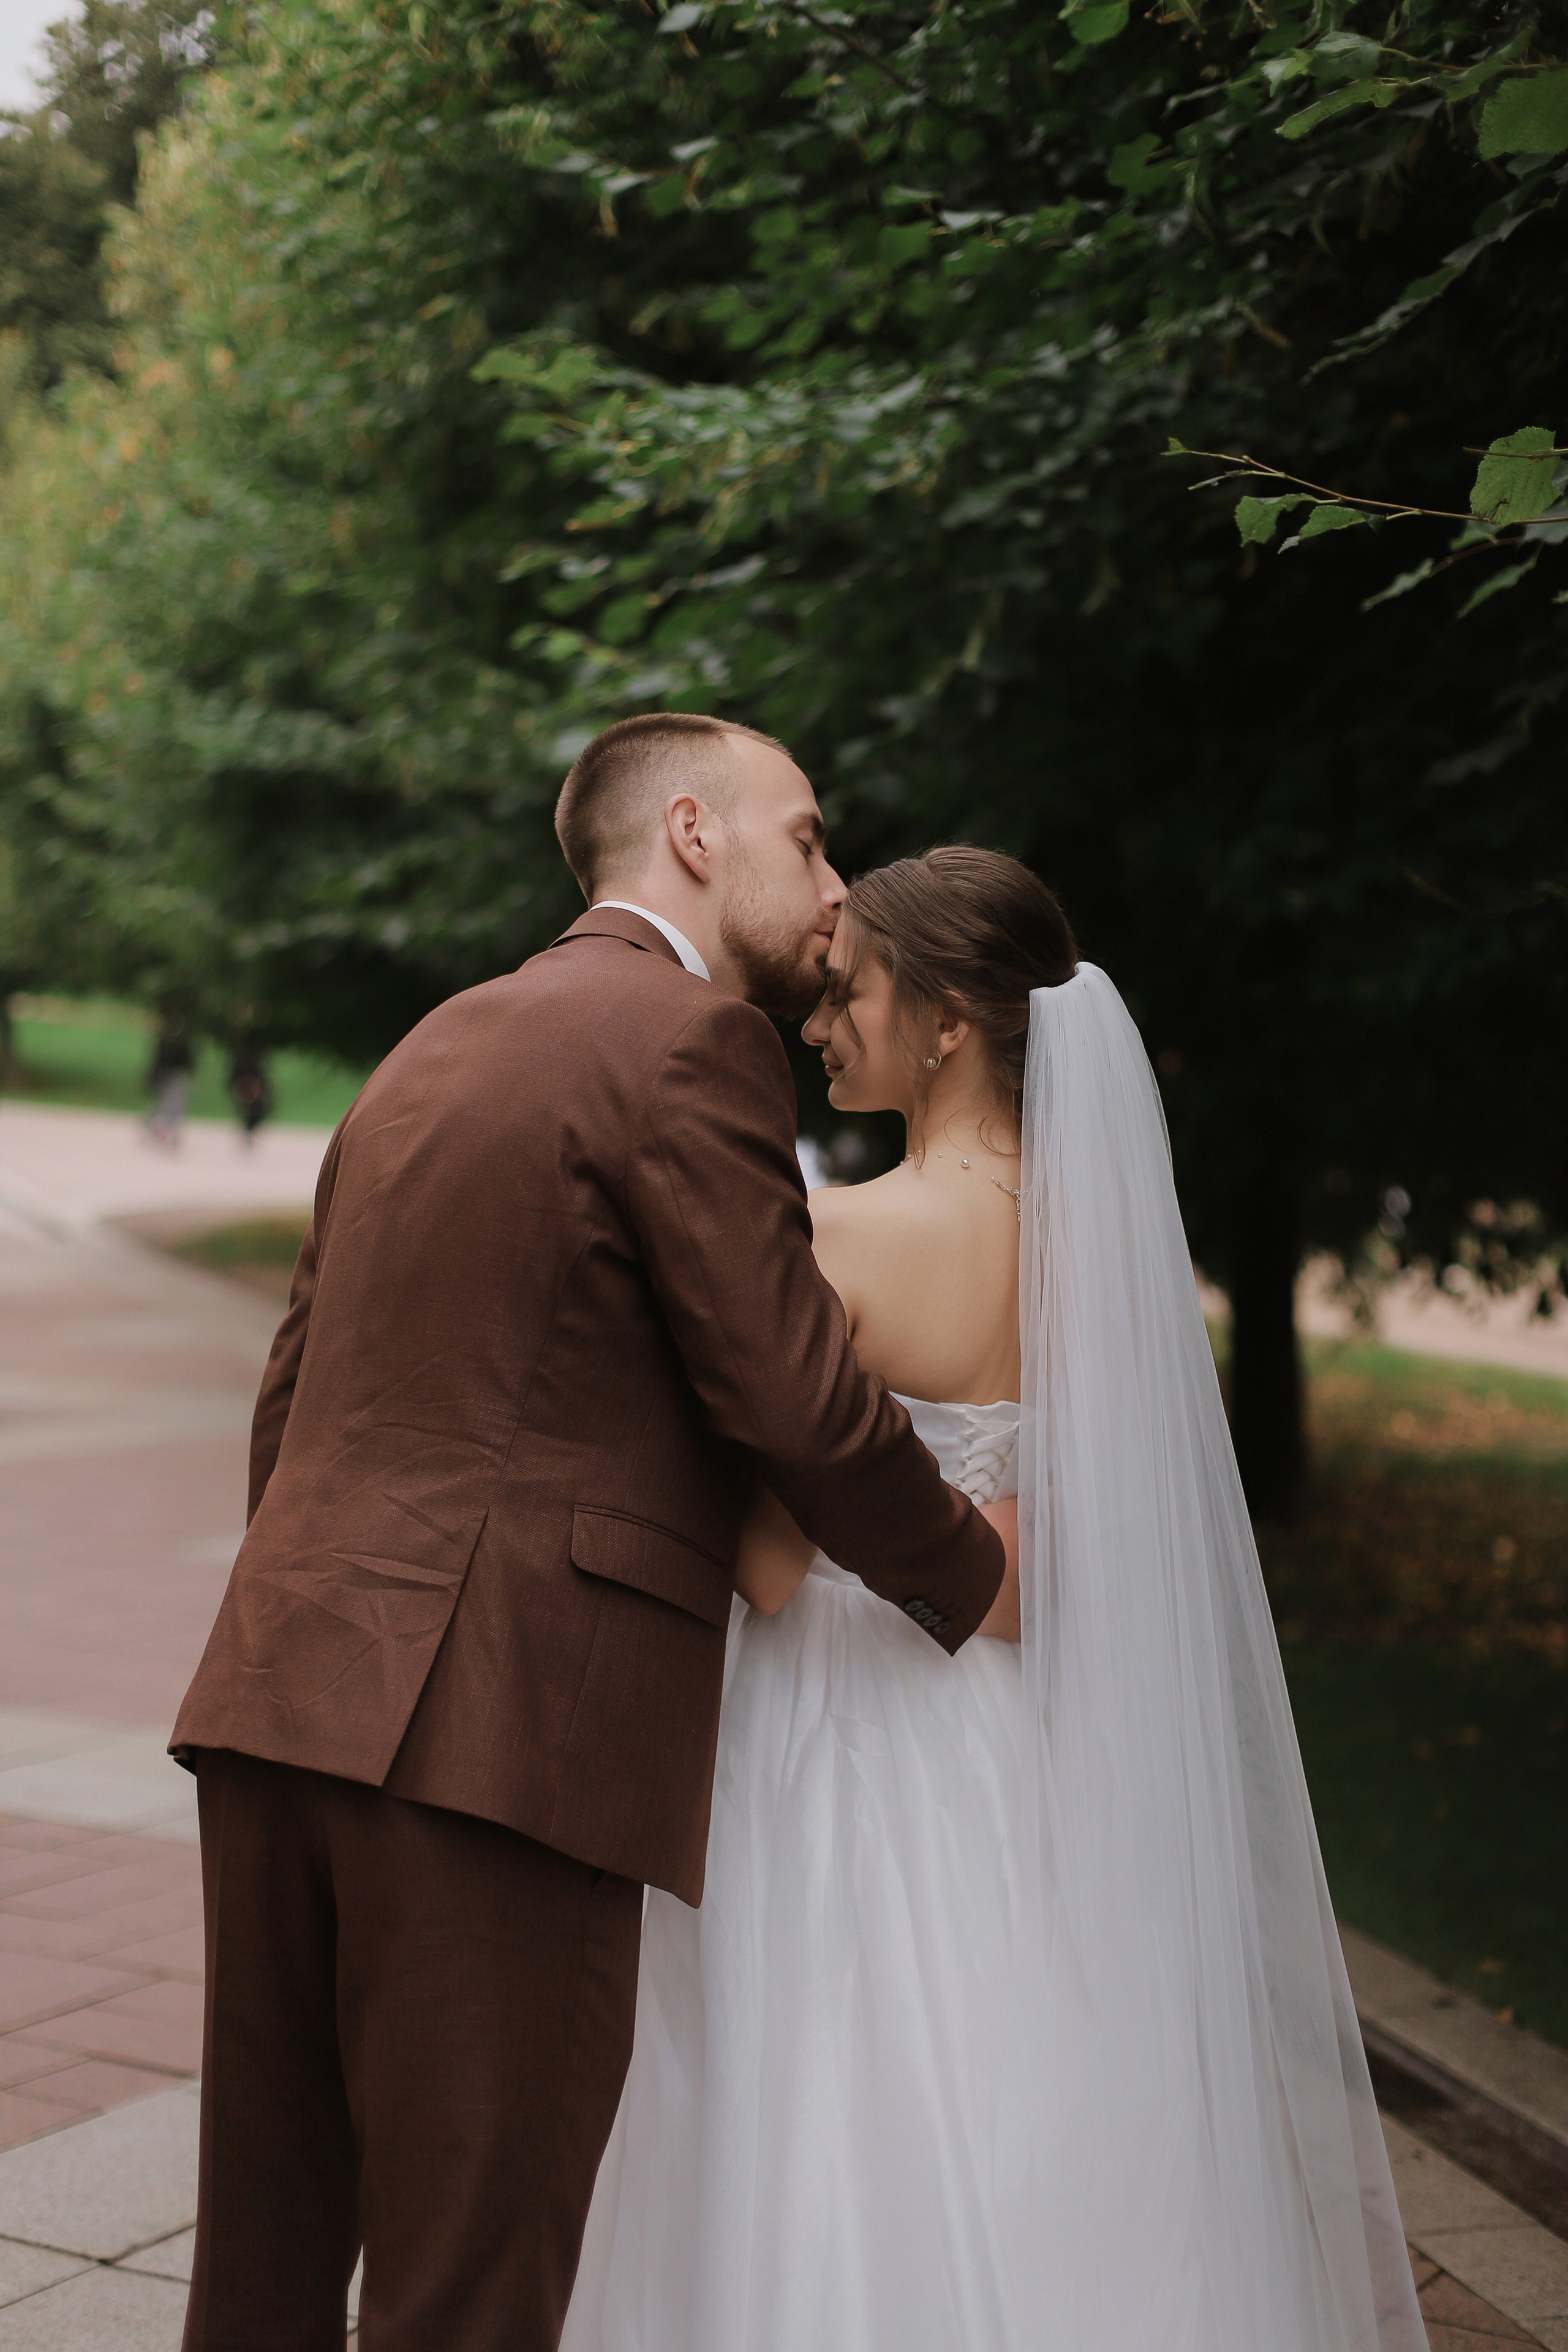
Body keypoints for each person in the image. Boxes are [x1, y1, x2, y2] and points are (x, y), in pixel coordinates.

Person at [168, 716, 1010, 2352]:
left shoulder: (438, 1040)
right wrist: (976, 1572)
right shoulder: (690, 1044)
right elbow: (793, 1396)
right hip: (496, 1743)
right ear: (693, 833)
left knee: (260, 2277)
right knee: (470, 2288)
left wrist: (321, 1624)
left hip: (281, 1696)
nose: (832, 893)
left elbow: (293, 1396)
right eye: (808, 839)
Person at [564, 848, 1429, 2352]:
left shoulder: (834, 1236)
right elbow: (1099, 1538)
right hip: (1026, 1732)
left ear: (948, 1018)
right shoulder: (1096, 1247)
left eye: (842, 991)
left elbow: (768, 1563)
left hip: (835, 1715)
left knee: (817, 2082)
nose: (814, 1022)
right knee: (1034, 2066)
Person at [145, 1019, 193, 1147]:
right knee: (169, 1105)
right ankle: (160, 1129)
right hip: (168, 1076)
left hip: (176, 1075)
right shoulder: (167, 1042)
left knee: (173, 1105)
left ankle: (167, 1131)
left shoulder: (176, 1042)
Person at [226, 1044, 273, 1145]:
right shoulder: (244, 1063)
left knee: (255, 1109)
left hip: (251, 1089)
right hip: (245, 1088)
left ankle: (249, 1129)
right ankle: (249, 1129)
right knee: (249, 1110)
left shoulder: (251, 1063)